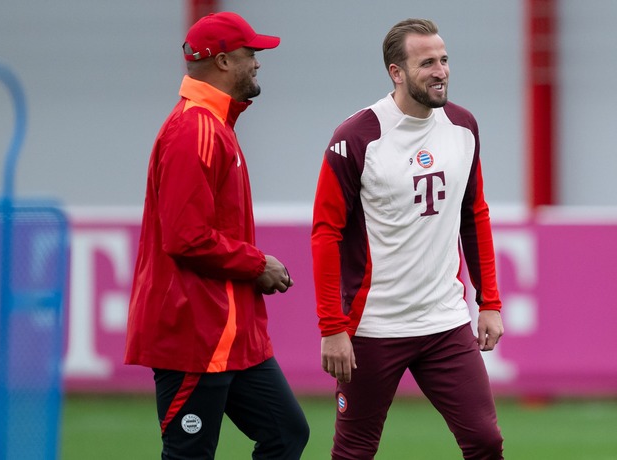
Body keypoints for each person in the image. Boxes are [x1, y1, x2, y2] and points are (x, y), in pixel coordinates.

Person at [311, 18, 504, 459]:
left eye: (444, 60)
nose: (441, 71)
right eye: (427, 63)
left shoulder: (463, 126)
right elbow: (325, 234)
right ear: (396, 72)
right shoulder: (357, 137)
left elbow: (474, 215)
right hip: (374, 327)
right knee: (354, 450)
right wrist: (332, 327)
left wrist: (489, 302)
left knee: (486, 440)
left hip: (444, 322)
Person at [125, 11, 309, 459]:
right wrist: (256, 263)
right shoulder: (195, 129)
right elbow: (185, 237)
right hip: (194, 334)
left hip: (228, 334)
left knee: (286, 434)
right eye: (251, 53)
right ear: (223, 61)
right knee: (190, 454)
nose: (258, 62)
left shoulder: (213, 125)